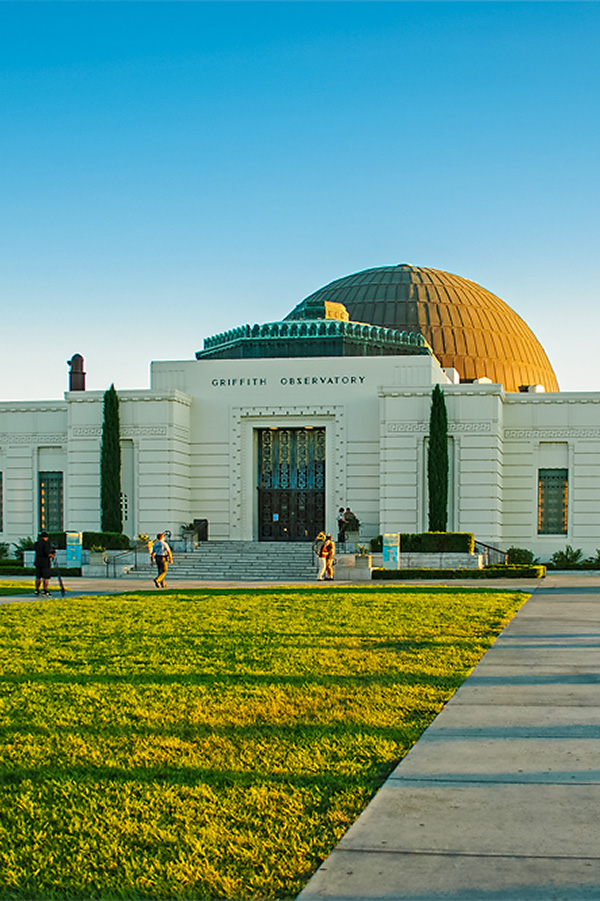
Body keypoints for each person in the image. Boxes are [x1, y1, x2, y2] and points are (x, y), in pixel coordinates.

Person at [34, 531, 56, 597]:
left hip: (38, 561)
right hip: (45, 562)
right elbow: (47, 553)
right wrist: (52, 556)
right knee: (46, 577)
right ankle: (45, 590)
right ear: (46, 537)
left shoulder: (37, 543)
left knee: (38, 577)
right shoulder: (46, 544)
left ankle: (37, 590)